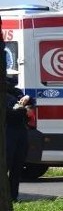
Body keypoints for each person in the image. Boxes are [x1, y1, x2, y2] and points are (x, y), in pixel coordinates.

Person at [5, 71, 33, 202]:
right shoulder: (4, 96)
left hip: (21, 131)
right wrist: (20, 109)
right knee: (7, 164)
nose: (12, 80)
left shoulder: (16, 92)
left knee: (18, 165)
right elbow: (10, 112)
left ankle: (13, 196)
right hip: (8, 131)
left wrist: (27, 98)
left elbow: (31, 101)